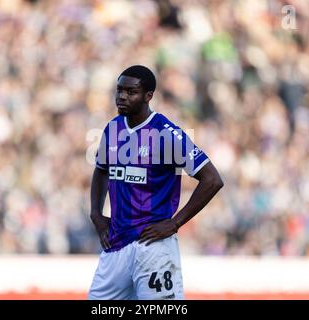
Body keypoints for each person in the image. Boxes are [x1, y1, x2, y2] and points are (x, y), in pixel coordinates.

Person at [88, 65, 224, 300]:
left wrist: (174, 223)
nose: (121, 97)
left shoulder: (167, 133)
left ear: (148, 96)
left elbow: (212, 180)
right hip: (115, 245)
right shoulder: (112, 128)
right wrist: (96, 214)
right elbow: (101, 170)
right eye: (119, 90)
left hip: (153, 247)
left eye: (131, 92)